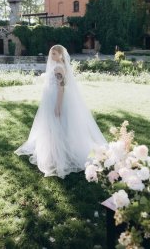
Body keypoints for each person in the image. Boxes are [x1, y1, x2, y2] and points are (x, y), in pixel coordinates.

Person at [14, 44, 106, 178]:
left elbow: (61, 88)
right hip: (53, 97)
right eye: (51, 53)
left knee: (56, 125)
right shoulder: (60, 65)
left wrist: (57, 106)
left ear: (61, 55)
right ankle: (56, 151)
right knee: (56, 126)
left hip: (56, 99)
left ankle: (59, 154)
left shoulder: (58, 68)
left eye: (54, 54)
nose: (51, 56)